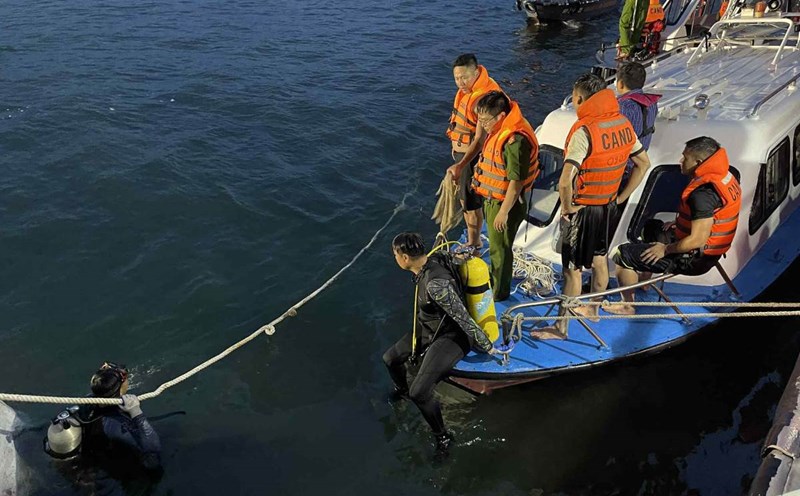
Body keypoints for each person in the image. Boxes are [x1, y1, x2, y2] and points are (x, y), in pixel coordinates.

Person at [531, 74, 651, 339]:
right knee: (599, 261)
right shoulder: (623, 124)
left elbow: (565, 182)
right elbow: (644, 163)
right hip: (608, 207)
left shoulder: (585, 131)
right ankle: (593, 309)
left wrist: (567, 208)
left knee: (572, 271)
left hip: (583, 210)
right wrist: (621, 197)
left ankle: (560, 328)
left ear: (580, 99)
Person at [382, 233, 496, 455]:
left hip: (451, 337)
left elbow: (463, 318)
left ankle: (443, 437)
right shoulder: (432, 257)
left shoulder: (436, 285)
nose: (394, 258)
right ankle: (401, 390)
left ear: (404, 258)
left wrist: (487, 345)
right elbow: (447, 250)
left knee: (420, 393)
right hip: (428, 328)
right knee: (390, 359)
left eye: (395, 254)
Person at [607, 137, 742, 314]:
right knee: (652, 226)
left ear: (698, 162)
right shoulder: (725, 177)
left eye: (685, 158)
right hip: (709, 250)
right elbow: (714, 217)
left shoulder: (702, 195)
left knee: (622, 254)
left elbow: (698, 239)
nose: (681, 161)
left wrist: (665, 249)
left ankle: (627, 306)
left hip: (695, 259)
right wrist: (679, 224)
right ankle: (645, 279)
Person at [471, 91, 539, 301]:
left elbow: (516, 182)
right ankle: (496, 280)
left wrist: (503, 212)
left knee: (499, 249)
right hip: (493, 200)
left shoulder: (514, 141)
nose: (482, 124)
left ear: (500, 116)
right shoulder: (502, 129)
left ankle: (499, 292)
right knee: (496, 245)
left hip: (504, 203)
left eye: (485, 120)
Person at [45, 362, 162, 474]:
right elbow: (153, 453)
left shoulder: (87, 403)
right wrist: (137, 413)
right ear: (120, 387)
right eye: (125, 378)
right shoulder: (116, 424)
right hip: (111, 464)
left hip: (89, 454)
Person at [445, 54, 503, 252]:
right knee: (466, 201)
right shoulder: (468, 91)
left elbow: (479, 141)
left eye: (465, 78)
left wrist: (461, 165)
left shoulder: (484, 98)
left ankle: (473, 244)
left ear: (476, 73)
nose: (460, 83)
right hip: (462, 154)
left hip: (471, 158)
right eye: (457, 78)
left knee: (469, 204)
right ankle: (474, 240)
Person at [616, 61, 661, 192]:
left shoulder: (623, 107)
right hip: (637, 166)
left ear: (620, 84)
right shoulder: (652, 104)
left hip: (621, 170)